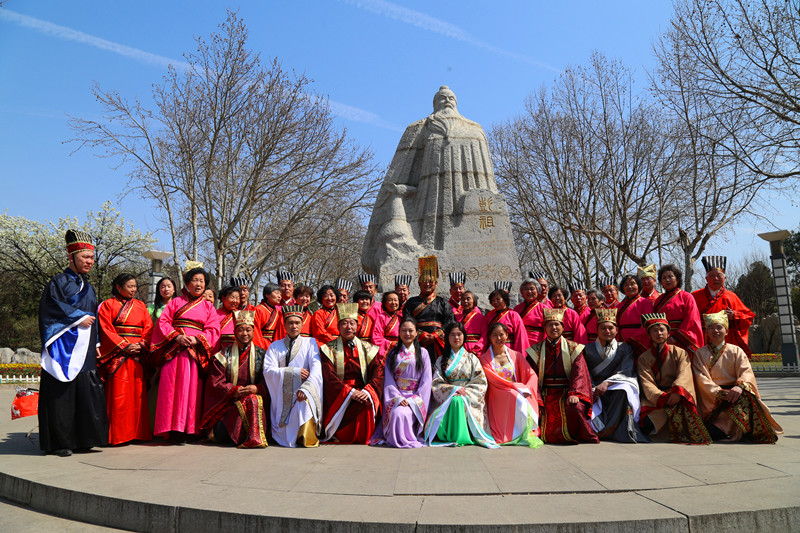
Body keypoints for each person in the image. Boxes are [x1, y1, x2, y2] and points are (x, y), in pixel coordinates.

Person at [362, 85, 503, 267]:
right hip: (432, 188)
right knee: (430, 235)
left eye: (450, 98)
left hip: (468, 190)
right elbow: (405, 163)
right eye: (442, 98)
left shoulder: (474, 128)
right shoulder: (421, 127)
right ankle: (431, 264)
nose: (447, 101)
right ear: (435, 104)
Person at [38, 230, 109, 456]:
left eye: (91, 258)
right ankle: (61, 442)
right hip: (63, 348)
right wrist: (77, 317)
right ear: (71, 257)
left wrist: (96, 343)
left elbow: (92, 316)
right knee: (63, 394)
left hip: (85, 346)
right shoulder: (57, 283)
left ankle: (83, 439)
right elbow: (50, 310)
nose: (89, 262)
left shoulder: (88, 285)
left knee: (86, 391)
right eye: (85, 257)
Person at [150, 262, 221, 442]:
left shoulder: (208, 307)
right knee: (170, 390)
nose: (198, 284)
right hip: (175, 350)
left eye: (202, 281)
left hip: (194, 353)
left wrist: (198, 339)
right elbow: (163, 323)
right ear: (187, 283)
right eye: (195, 280)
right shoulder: (175, 302)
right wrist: (176, 336)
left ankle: (189, 430)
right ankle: (170, 429)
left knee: (190, 391)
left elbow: (213, 329)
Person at [692, 311, 781, 443]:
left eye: (719, 327)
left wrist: (739, 387)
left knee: (747, 398)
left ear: (726, 331)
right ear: (706, 332)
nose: (715, 330)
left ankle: (726, 429)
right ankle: (724, 428)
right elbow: (701, 378)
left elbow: (746, 372)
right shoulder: (700, 353)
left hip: (735, 394)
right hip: (712, 397)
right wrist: (719, 393)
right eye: (711, 327)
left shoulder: (736, 351)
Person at [526, 308, 598, 444]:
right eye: (550, 324)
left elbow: (580, 374)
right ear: (544, 327)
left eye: (557, 324)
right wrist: (537, 397)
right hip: (544, 392)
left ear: (563, 327)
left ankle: (576, 435)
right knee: (534, 408)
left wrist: (574, 393)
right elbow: (531, 377)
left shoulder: (574, 349)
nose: (554, 327)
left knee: (575, 408)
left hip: (567, 392)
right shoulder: (535, 351)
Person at [97, 273, 153, 445]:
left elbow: (149, 328)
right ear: (118, 287)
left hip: (137, 355)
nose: (134, 289)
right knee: (118, 396)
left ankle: (138, 433)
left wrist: (142, 344)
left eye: (135, 286)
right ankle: (119, 435)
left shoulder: (141, 305)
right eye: (130, 286)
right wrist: (124, 345)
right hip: (118, 354)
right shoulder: (107, 305)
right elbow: (105, 329)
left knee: (138, 396)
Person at [637, 313, 710, 444]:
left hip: (677, 395)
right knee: (646, 423)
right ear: (649, 334)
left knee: (683, 412)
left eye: (662, 330)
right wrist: (661, 396)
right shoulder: (644, 358)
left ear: (668, 332)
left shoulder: (680, 352)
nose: (659, 333)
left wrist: (677, 392)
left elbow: (684, 374)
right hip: (656, 399)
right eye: (654, 330)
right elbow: (646, 382)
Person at [199, 310, 269, 448]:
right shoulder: (223, 355)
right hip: (229, 405)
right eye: (241, 330)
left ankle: (254, 438)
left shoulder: (262, 355)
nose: (245, 334)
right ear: (235, 332)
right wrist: (234, 391)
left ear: (253, 331)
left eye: (248, 330)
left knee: (254, 399)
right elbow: (215, 381)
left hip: (254, 401)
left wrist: (257, 388)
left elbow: (270, 381)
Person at [424, 323, 497, 448]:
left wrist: (464, 392)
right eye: (452, 335)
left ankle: (462, 436)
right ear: (447, 338)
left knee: (458, 400)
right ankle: (453, 435)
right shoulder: (441, 360)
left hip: (468, 395)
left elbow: (480, 382)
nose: (456, 337)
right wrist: (454, 390)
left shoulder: (472, 358)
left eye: (459, 334)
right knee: (455, 400)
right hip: (449, 395)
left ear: (464, 337)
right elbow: (436, 383)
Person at [320, 304, 385, 444]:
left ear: (357, 326)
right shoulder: (327, 349)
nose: (348, 327)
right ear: (338, 326)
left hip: (363, 391)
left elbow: (378, 373)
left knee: (366, 402)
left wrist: (367, 391)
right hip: (340, 393)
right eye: (344, 323)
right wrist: (349, 392)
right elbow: (329, 377)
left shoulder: (368, 348)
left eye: (352, 323)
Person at [583, 309, 647, 443]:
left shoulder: (624, 348)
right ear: (597, 330)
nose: (607, 331)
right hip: (593, 387)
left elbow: (626, 370)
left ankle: (616, 430)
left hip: (614, 385)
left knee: (623, 392)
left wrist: (607, 383)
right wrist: (593, 388)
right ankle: (598, 429)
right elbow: (584, 372)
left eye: (610, 328)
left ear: (617, 330)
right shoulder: (587, 349)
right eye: (603, 328)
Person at [263, 306, 323, 447]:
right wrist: (294, 371)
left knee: (305, 403)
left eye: (297, 323)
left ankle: (304, 437)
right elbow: (268, 371)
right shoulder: (274, 346)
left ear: (302, 324)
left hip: (303, 390)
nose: (294, 326)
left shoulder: (310, 343)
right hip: (281, 395)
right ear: (284, 325)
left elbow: (316, 368)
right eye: (290, 323)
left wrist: (307, 390)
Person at [370, 317, 432, 448]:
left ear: (416, 333)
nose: (407, 334)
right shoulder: (392, 353)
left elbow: (426, 381)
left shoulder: (423, 353)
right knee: (398, 412)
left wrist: (413, 400)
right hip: (397, 397)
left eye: (411, 331)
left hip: (415, 398)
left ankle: (407, 438)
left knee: (402, 414)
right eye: (404, 330)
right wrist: (397, 398)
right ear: (399, 332)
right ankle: (397, 439)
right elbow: (388, 380)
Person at [479, 323, 543, 447]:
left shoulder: (516, 356)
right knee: (516, 397)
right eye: (495, 335)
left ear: (507, 336)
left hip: (515, 390)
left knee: (522, 397)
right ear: (490, 338)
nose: (498, 338)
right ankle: (510, 435)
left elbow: (532, 374)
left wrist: (527, 388)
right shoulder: (484, 359)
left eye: (501, 334)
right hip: (497, 393)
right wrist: (517, 387)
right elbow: (494, 380)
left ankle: (521, 433)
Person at [692, 256, 755, 357]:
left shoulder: (731, 296)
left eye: (719, 275)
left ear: (724, 278)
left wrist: (735, 315)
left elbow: (749, 317)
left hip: (726, 338)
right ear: (706, 278)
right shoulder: (695, 296)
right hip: (702, 338)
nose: (715, 278)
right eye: (711, 276)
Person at [402, 256, 455, 364]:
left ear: (435, 284)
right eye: (424, 281)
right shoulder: (411, 302)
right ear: (419, 283)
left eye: (431, 281)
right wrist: (421, 334)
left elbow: (450, 321)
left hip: (439, 341)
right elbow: (406, 320)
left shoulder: (443, 302)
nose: (427, 284)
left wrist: (435, 335)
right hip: (417, 340)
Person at [653, 264, 704, 355]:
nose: (667, 280)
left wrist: (675, 338)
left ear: (677, 278)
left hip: (682, 340)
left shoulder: (686, 297)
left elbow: (691, 320)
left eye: (670, 276)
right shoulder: (658, 301)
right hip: (663, 340)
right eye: (664, 278)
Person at [615, 274, 654, 355]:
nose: (629, 287)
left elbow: (648, 324)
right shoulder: (619, 306)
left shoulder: (645, 303)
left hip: (641, 341)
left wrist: (633, 340)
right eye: (626, 285)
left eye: (632, 284)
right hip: (622, 340)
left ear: (638, 286)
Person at [485, 286, 529, 354]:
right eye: (493, 300)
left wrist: (518, 354)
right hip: (492, 350)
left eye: (498, 299)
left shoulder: (513, 315)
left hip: (509, 350)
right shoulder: (489, 315)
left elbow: (520, 336)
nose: (495, 302)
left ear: (504, 299)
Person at [514, 277, 545, 346]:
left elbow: (548, 330)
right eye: (526, 289)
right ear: (522, 292)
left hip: (537, 344)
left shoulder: (544, 308)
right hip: (520, 342)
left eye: (532, 289)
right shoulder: (517, 309)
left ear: (537, 290)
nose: (529, 292)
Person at [254, 283, 285, 350]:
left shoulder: (278, 312)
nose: (279, 296)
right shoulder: (258, 310)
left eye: (280, 294)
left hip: (276, 344)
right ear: (267, 295)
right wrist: (259, 348)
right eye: (277, 293)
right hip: (262, 344)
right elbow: (255, 332)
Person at [371, 291, 402, 355]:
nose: (393, 302)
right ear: (385, 303)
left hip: (402, 348)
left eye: (395, 300)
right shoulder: (381, 317)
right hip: (387, 350)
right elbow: (377, 337)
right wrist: (392, 344)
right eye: (390, 300)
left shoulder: (402, 316)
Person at [460, 291, 487, 355]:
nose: (465, 301)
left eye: (468, 299)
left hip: (475, 350)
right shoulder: (457, 317)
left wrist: (476, 351)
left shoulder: (481, 318)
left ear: (474, 301)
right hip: (460, 350)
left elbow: (484, 337)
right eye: (463, 299)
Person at [215, 285, 241, 351]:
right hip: (218, 350)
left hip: (236, 350)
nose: (235, 301)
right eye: (232, 297)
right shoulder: (214, 314)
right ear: (223, 298)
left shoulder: (241, 315)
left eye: (237, 298)